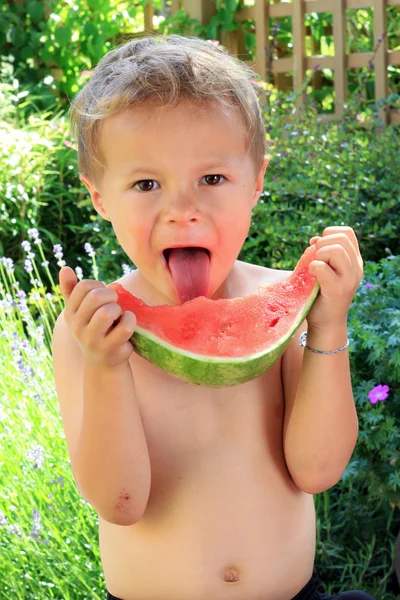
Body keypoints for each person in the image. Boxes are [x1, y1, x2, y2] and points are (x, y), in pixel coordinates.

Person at [52, 34, 372, 600]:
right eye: (146, 184)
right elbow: (120, 502)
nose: (182, 210)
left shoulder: (287, 303)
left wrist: (328, 326)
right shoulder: (90, 332)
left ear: (257, 181)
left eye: (212, 179)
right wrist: (106, 369)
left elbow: (316, 470)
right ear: (99, 196)